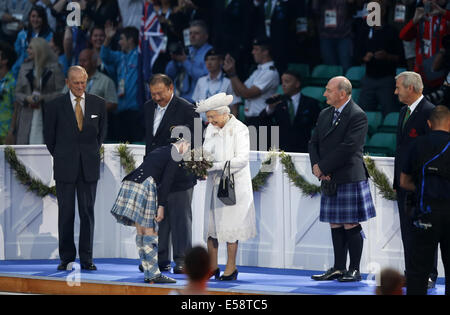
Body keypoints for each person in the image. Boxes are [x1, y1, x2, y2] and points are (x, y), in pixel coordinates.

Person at [309, 76, 376, 282]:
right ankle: (339, 267)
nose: (324, 94)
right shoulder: (324, 113)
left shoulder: (357, 115)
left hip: (349, 176)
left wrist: (324, 166)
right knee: (335, 223)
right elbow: (314, 142)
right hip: (328, 176)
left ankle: (354, 270)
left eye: (328, 90)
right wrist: (317, 166)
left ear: (342, 93)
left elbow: (349, 148)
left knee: (349, 222)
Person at [43, 65, 107, 271]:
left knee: (87, 213)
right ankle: (67, 258)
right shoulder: (54, 106)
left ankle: (87, 259)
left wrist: (88, 155)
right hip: (65, 167)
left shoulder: (98, 104)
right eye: (76, 83)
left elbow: (101, 135)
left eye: (83, 82)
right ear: (67, 83)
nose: (80, 86)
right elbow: (49, 139)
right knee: (66, 213)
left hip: (88, 167)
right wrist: (64, 156)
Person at [111, 139, 191, 284]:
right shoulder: (175, 154)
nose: (186, 151)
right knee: (150, 232)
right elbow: (167, 182)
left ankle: (149, 272)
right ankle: (153, 274)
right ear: (183, 144)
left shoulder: (160, 150)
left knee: (141, 231)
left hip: (131, 183)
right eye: (187, 147)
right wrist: (161, 206)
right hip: (145, 186)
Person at [196, 92, 257, 281]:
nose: (210, 121)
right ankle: (212, 267)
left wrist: (212, 166)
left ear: (224, 113)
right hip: (214, 184)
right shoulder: (211, 129)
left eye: (213, 117)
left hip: (234, 185)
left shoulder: (240, 129)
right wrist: (199, 164)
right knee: (211, 227)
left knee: (231, 227)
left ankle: (231, 268)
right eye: (208, 118)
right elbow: (205, 152)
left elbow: (242, 159)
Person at [144, 73, 198, 274]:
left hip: (180, 174)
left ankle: (183, 260)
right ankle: (160, 259)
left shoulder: (187, 109)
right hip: (156, 173)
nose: (156, 98)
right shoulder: (148, 107)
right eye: (153, 94)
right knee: (159, 218)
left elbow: (197, 142)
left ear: (171, 88)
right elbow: (150, 141)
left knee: (180, 219)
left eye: (159, 93)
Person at [400, 105, 450, 295]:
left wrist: (422, 188)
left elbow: (404, 181)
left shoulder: (417, 144)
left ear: (429, 124)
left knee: (418, 270)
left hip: (424, 213)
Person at [393, 71, 436, 287]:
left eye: (398, 87)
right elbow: (400, 151)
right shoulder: (403, 112)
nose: (395, 91)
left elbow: (433, 151)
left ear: (410, 88)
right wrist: (396, 182)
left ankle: (428, 274)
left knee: (425, 231)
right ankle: (412, 271)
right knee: (408, 230)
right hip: (403, 184)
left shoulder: (430, 112)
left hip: (421, 185)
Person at [13, 37, 64, 144]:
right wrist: (27, 98)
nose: (28, 50)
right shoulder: (24, 68)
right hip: (27, 116)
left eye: (31, 48)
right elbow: (17, 92)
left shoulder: (55, 68)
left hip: (48, 116)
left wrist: (44, 98)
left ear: (39, 49)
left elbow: (62, 93)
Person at [223, 37, 279, 132]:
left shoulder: (270, 72)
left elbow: (247, 94)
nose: (253, 52)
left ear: (265, 52)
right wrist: (231, 73)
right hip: (250, 120)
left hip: (263, 121)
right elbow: (238, 91)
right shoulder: (258, 71)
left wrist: (233, 73)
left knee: (261, 147)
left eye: (256, 49)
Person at [258, 69, 320, 153]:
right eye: (282, 81)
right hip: (281, 148)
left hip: (303, 148)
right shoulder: (278, 102)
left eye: (287, 81)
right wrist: (270, 107)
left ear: (297, 84)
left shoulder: (310, 103)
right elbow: (262, 118)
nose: (283, 85)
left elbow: (318, 124)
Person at [101, 25, 142, 143]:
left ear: (130, 40)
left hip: (135, 109)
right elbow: (105, 56)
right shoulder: (120, 57)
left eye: (122, 39)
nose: (119, 42)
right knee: (122, 146)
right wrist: (108, 39)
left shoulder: (140, 56)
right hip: (121, 108)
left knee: (136, 145)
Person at [399, 0, 450, 91]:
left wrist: (442, 12)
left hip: (441, 70)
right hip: (421, 72)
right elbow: (403, 36)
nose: (429, 1)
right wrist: (414, 20)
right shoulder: (420, 19)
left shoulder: (444, 18)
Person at [165, 19, 212, 102]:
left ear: (206, 36)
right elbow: (169, 74)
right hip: (181, 100)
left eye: (196, 33)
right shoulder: (187, 51)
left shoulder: (211, 53)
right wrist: (174, 60)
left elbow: (206, 77)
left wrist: (185, 61)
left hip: (199, 102)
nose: (192, 36)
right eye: (190, 33)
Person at [191, 48, 241, 123]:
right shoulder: (201, 81)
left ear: (220, 61)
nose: (209, 62)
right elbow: (195, 105)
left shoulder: (228, 82)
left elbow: (234, 106)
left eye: (213, 59)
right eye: (207, 60)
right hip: (201, 123)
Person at [12, 5, 53, 79]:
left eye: (39, 17)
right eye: (33, 16)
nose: (35, 19)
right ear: (29, 17)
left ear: (43, 18)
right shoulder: (22, 35)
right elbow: (17, 52)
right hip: (20, 70)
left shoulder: (50, 36)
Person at [0, 41, 17, 145]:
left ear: (5, 60)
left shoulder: (12, 82)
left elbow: (16, 108)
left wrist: (11, 132)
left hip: (6, 132)